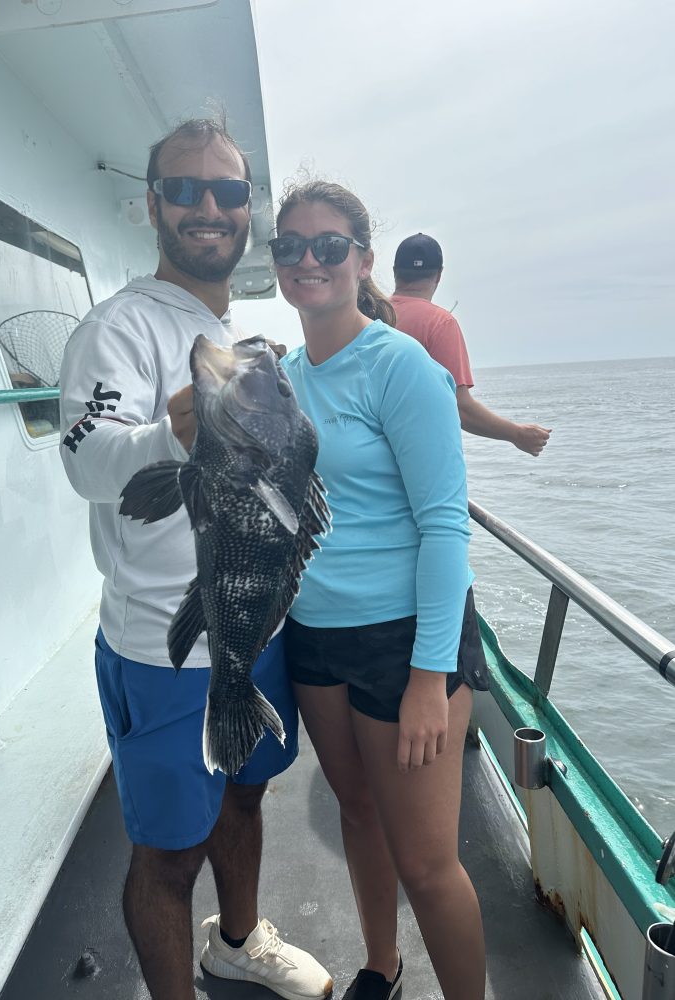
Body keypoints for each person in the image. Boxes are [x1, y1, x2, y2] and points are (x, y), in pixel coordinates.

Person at [59, 120, 333, 1000]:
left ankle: (239, 941)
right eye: (186, 190)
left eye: (226, 192)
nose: (208, 208)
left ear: (245, 211)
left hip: (253, 626)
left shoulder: (225, 326)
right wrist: (176, 428)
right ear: (153, 204)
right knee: (169, 851)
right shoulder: (119, 326)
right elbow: (86, 461)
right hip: (165, 648)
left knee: (247, 796)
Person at [269, 181, 487, 1000]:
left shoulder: (403, 368)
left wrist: (432, 675)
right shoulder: (281, 377)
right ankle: (380, 966)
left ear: (363, 261)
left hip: (406, 642)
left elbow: (445, 527)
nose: (308, 260)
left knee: (429, 866)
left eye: (329, 246)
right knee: (357, 813)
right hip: (314, 636)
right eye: (290, 246)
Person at [390, 234, 551, 457]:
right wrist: (516, 434)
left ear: (395, 271)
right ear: (439, 274)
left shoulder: (367, 315)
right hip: (417, 460)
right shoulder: (440, 323)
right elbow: (461, 408)